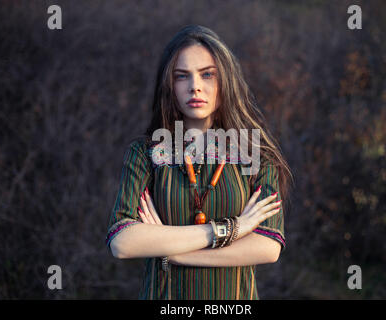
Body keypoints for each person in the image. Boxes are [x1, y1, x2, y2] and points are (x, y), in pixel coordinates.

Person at [105, 25, 292, 300]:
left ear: (226, 80)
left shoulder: (257, 153)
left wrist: (176, 253)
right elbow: (122, 242)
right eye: (182, 76)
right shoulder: (145, 153)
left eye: (207, 74)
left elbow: (267, 247)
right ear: (170, 85)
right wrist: (231, 229)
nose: (195, 86)